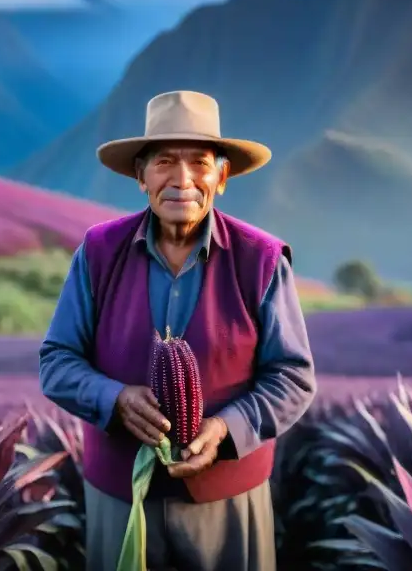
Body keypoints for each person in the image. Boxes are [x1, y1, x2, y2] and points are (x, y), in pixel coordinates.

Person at [39, 90, 317, 571]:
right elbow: (57, 361)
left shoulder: (262, 260)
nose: (182, 179)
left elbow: (293, 377)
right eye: (164, 161)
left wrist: (225, 429)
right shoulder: (99, 252)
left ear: (222, 177)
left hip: (227, 502)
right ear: (141, 176)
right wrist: (115, 399)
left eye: (200, 163)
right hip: (120, 499)